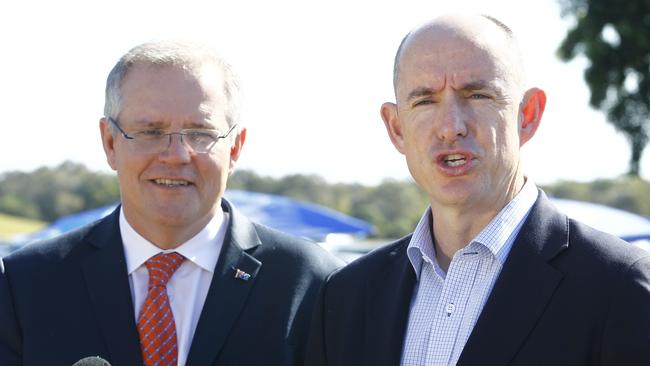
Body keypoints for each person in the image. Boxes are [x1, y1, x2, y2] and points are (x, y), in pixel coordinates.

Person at [305, 14, 650, 366]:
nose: (451, 127)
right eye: (425, 101)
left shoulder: (618, 287)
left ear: (527, 115)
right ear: (396, 129)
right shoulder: (346, 296)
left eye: (478, 95)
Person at [0, 41, 342, 366]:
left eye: (200, 133)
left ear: (235, 148)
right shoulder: (25, 285)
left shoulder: (313, 284)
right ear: (109, 143)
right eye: (150, 132)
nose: (176, 155)